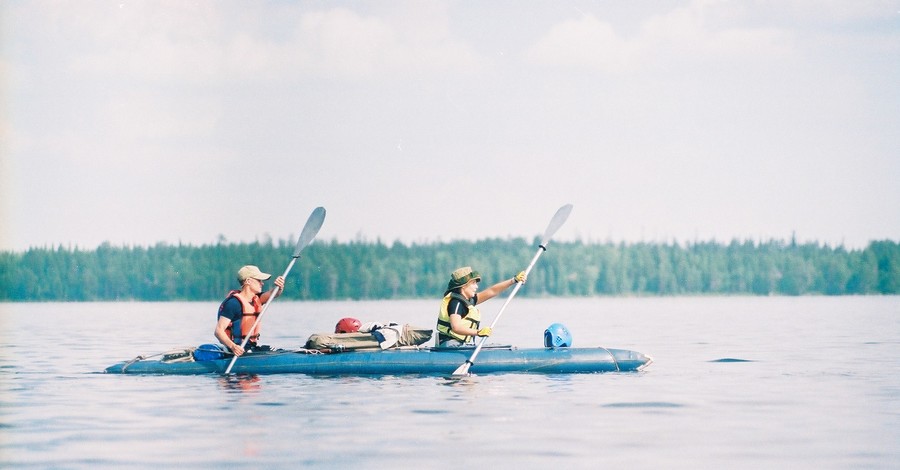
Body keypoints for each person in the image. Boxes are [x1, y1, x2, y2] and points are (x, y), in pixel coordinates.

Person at [435, 266, 526, 347]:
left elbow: (492, 291)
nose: (476, 287)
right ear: (463, 286)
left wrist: (513, 280)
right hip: (449, 345)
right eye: (473, 283)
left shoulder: (468, 300)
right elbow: (456, 327)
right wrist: (478, 332)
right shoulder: (456, 303)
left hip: (459, 344)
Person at [215, 265, 285, 356]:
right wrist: (233, 347)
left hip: (251, 348)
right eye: (259, 280)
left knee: (279, 350)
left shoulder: (256, 299)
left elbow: (273, 293)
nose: (262, 283)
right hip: (237, 351)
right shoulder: (233, 303)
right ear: (248, 281)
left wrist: (279, 287)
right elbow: (218, 331)